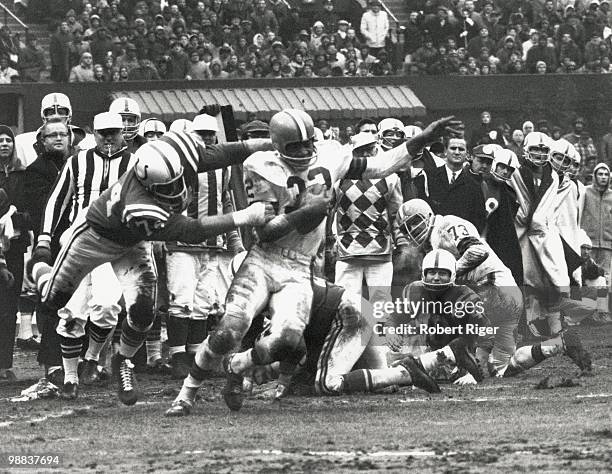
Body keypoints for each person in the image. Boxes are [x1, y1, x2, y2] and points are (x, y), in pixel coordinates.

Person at [165, 110, 460, 413]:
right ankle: (186, 394)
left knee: (287, 340)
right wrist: (305, 212)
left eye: (308, 143)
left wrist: (423, 138)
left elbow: (381, 165)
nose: (305, 151)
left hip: (300, 267)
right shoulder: (262, 166)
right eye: (296, 147)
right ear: (278, 146)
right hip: (264, 260)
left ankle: (238, 365)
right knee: (230, 329)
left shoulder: (331, 155)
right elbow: (265, 231)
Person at [29, 130, 277, 405]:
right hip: (94, 238)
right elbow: (190, 231)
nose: (174, 190)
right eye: (166, 187)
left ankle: (123, 360)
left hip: (133, 242)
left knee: (144, 310)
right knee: (52, 301)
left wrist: (268, 142)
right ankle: (39, 268)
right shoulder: (139, 205)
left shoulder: (175, 153)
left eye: (176, 181)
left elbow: (223, 152)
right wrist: (244, 216)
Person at [395, 198, 592, 379]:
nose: (412, 230)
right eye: (406, 228)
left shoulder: (446, 225)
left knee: (449, 322)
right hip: (496, 291)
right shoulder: (432, 242)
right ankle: (557, 345)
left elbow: (477, 250)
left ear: (428, 215)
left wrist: (453, 272)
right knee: (501, 368)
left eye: (414, 222)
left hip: (494, 289)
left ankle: (460, 366)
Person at [33, 112, 135, 399]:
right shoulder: (77, 161)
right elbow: (57, 200)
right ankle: (69, 377)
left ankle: (91, 358)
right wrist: (44, 238)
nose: (107, 138)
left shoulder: (135, 164)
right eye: (102, 132)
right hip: (78, 240)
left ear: (122, 132)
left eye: (113, 132)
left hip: (115, 244)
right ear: (94, 132)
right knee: (71, 311)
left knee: (105, 307)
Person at [164, 113, 245, 379]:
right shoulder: (178, 163)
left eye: (211, 134)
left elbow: (226, 203)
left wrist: (234, 240)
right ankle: (177, 355)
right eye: (202, 134)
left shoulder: (223, 167)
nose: (207, 139)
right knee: (181, 298)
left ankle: (196, 355)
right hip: (182, 241)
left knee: (203, 302)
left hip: (213, 244)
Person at [21, 120, 71, 385]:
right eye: (53, 135)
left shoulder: (77, 163)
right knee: (51, 302)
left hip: (77, 242)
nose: (59, 139)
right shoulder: (36, 170)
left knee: (78, 304)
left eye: (63, 134)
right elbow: (42, 208)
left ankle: (77, 362)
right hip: (49, 245)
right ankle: (52, 364)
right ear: (42, 141)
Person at [332, 132, 402, 304]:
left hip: (376, 251)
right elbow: (328, 210)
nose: (365, 155)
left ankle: (376, 331)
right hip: (350, 250)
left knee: (379, 305)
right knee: (346, 303)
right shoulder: (337, 177)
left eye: (368, 150)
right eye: (360, 151)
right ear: (353, 152)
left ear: (375, 149)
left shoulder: (391, 177)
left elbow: (396, 214)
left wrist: (400, 242)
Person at [511, 131, 569, 339]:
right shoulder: (515, 173)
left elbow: (549, 207)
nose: (539, 154)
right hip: (520, 232)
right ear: (527, 150)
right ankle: (528, 324)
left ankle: (554, 323)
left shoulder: (552, 176)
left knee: (553, 276)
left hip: (543, 232)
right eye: (535, 149)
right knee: (526, 279)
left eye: (543, 150)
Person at [0, 124, 31, 382]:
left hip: (15, 247)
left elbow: (33, 210)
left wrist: (15, 219)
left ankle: (4, 363)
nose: (3, 144)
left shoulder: (24, 175)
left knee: (9, 306)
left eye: (7, 140)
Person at [418, 136, 487, 233]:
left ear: (467, 154)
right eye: (453, 148)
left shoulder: (474, 186)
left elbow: (479, 220)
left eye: (461, 149)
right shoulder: (429, 176)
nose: (457, 152)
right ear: (445, 151)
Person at [581, 163, 612, 280]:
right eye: (600, 174)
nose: (603, 177)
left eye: (606, 174)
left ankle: (602, 299)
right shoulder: (585, 192)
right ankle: (584, 299)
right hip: (588, 243)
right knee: (584, 275)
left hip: (607, 245)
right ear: (594, 176)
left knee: (604, 277)